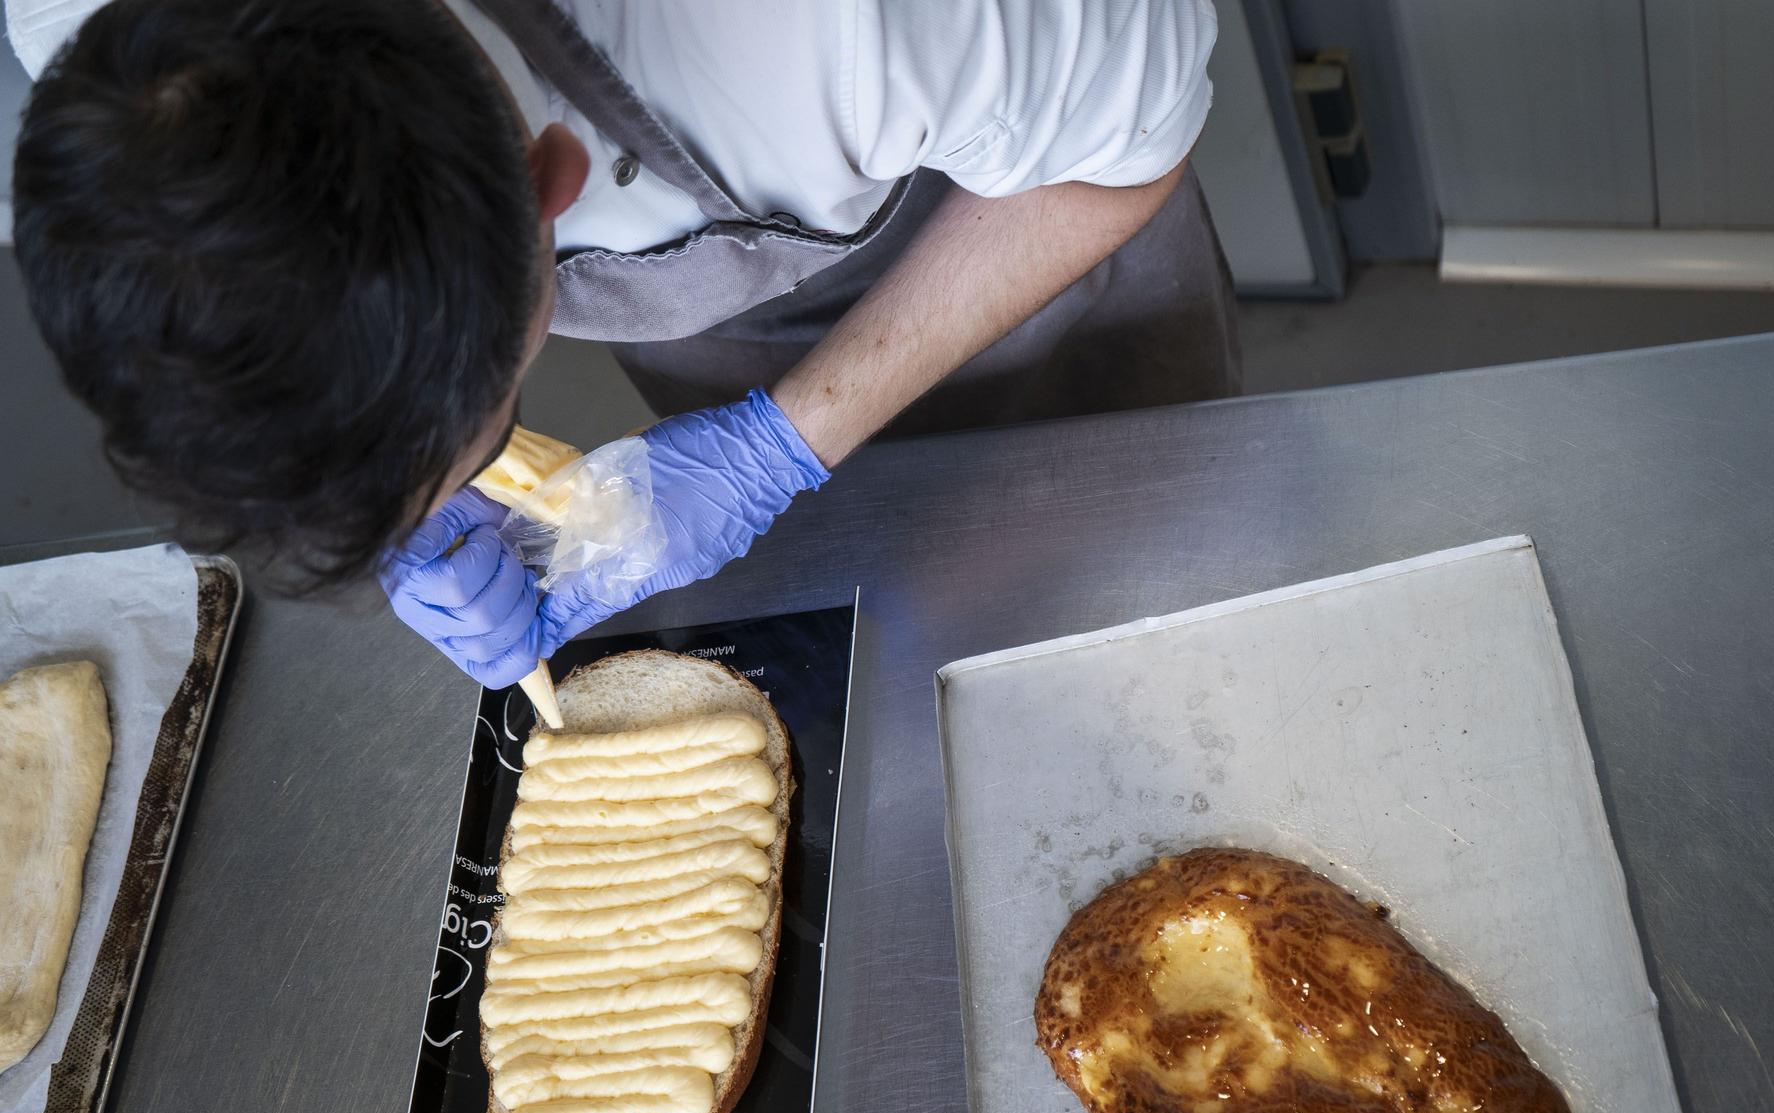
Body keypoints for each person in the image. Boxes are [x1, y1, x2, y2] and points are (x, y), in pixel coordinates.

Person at [9, 0, 1239, 685]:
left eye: (487, 432)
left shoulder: (862, 27)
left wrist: (778, 444)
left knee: (1151, 636)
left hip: (1032, 251)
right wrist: (393, 497)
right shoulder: (95, 62)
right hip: (741, 300)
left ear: (554, 183)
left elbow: (1109, 165)